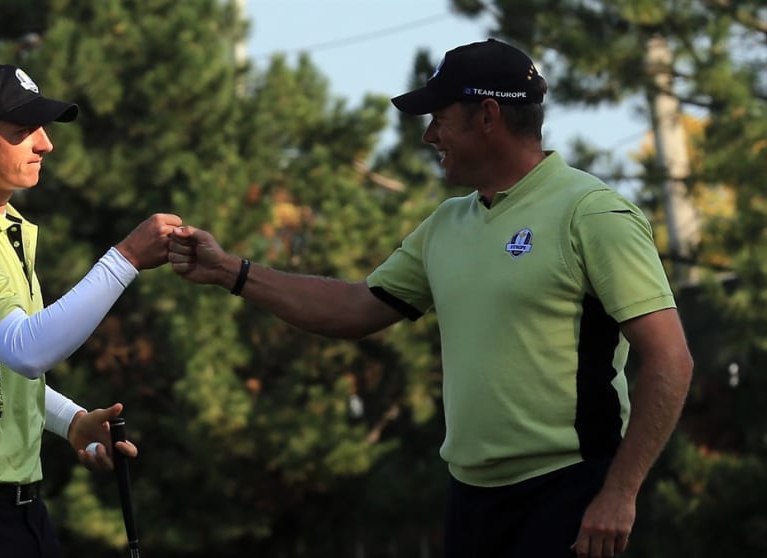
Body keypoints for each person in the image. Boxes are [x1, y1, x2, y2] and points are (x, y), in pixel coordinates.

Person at [168, 39, 693, 558]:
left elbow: (670, 360)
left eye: (439, 119)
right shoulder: (447, 223)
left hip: (571, 492)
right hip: (471, 499)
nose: (428, 135)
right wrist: (229, 271)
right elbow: (352, 308)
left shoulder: (593, 213)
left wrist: (620, 492)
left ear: (488, 115)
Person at [0, 63, 182, 558]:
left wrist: (71, 421)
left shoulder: (3, 230)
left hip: (14, 512)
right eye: (24, 130)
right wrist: (126, 258)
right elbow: (27, 351)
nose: (45, 144)